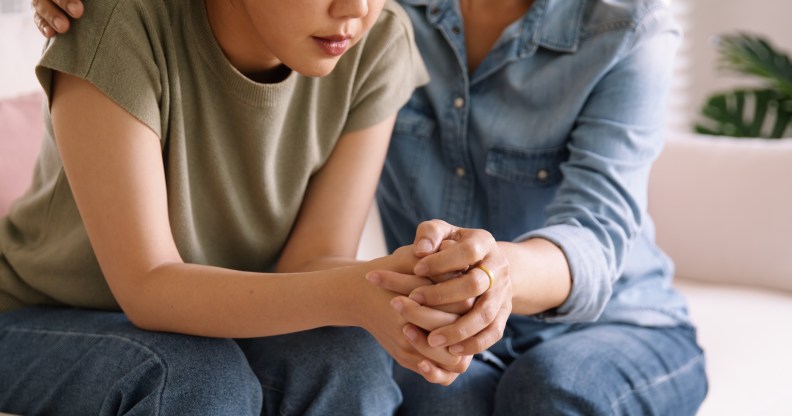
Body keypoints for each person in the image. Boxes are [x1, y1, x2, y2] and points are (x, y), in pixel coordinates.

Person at [31, 0, 710, 414]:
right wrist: (381, 290)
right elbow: (160, 284)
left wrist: (465, 278)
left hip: (607, 319)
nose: (354, 8)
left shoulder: (625, 25)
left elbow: (597, 231)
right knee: (218, 378)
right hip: (58, 312)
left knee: (544, 391)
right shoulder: (381, 19)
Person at [0, 0, 476, 414]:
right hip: (38, 316)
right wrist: (353, 293)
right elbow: (147, 287)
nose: (354, 9)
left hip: (226, 322)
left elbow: (310, 263)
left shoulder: (377, 39)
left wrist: (400, 283)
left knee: (347, 359)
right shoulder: (119, 20)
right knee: (191, 377)